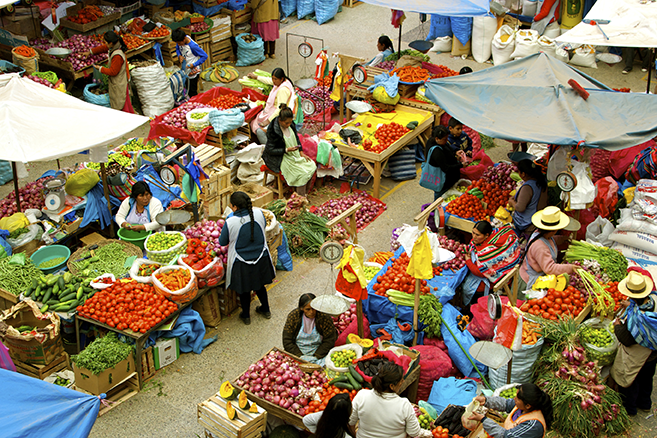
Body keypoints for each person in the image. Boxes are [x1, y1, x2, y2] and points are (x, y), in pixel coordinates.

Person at [218, 191, 275, 325]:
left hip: (241, 261)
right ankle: (266, 310)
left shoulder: (230, 221)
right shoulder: (259, 214)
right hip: (261, 256)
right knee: (260, 285)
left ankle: (246, 316)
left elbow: (222, 242)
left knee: (244, 290)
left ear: (235, 207)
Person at [610, 269, 657, 416]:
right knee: (647, 380)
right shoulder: (653, 301)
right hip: (654, 354)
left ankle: (630, 409)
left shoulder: (637, 318)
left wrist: (618, 326)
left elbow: (627, 340)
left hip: (640, 356)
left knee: (631, 382)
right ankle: (645, 404)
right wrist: (629, 306)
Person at [349, 362, 432, 438]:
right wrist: (427, 433)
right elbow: (414, 432)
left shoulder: (362, 396)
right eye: (401, 380)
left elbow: (350, 423)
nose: (403, 382)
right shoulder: (404, 405)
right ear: (392, 386)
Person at [463, 221, 521, 306]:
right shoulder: (492, 236)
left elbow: (479, 272)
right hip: (488, 280)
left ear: (487, 235)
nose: (474, 237)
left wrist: (468, 260)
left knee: (478, 301)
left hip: (488, 285)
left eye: (477, 235)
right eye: (473, 232)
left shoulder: (487, 253)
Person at [263, 104, 316, 196]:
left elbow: (296, 138)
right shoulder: (273, 131)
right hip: (279, 157)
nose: (288, 125)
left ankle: (304, 194)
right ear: (280, 120)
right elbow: (270, 150)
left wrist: (301, 152)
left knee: (311, 165)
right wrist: (286, 150)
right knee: (301, 173)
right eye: (286, 123)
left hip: (293, 154)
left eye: (290, 122)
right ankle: (299, 198)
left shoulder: (291, 124)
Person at [519, 207, 578, 290]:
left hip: (538, 276)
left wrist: (563, 239)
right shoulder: (540, 247)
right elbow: (549, 268)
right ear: (553, 231)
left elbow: (549, 241)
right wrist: (570, 268)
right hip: (530, 281)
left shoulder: (542, 234)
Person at [468, 383, 553, 438]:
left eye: (517, 398)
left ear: (528, 405)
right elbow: (506, 404)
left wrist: (483, 420)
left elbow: (506, 436)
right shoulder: (521, 407)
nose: (514, 399)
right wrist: (486, 400)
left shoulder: (533, 424)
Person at [282, 293, 337, 365]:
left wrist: (317, 355)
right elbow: (287, 340)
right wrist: (299, 356)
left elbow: (329, 340)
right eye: (308, 309)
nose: (311, 312)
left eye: (314, 309)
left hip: (318, 350)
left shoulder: (324, 317)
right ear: (301, 308)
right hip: (298, 350)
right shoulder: (293, 317)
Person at [248, 68, 298, 144]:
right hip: (271, 110)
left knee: (259, 130)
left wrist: (268, 121)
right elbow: (270, 81)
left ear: (281, 79)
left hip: (277, 114)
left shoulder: (283, 90)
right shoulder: (282, 82)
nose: (273, 81)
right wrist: (256, 77)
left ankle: (267, 147)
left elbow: (280, 109)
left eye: (275, 79)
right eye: (273, 79)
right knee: (254, 121)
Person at [90, 31, 134, 112]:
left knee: (121, 102)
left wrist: (100, 68)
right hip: (121, 79)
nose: (105, 44)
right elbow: (104, 48)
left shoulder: (117, 55)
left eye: (106, 42)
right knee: (124, 100)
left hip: (120, 81)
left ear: (110, 43)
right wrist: (90, 52)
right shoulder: (115, 46)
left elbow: (113, 72)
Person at [509, 159, 547, 235]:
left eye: (519, 172)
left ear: (523, 174)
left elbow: (520, 208)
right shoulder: (541, 181)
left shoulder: (527, 187)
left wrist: (512, 202)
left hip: (527, 222)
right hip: (538, 217)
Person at [425, 125, 463, 200]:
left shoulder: (436, 142)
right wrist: (461, 165)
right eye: (444, 139)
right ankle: (435, 209)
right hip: (442, 181)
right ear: (437, 139)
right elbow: (446, 168)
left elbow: (447, 146)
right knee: (439, 199)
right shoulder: (437, 152)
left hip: (445, 180)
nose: (446, 141)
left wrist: (455, 151)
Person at [172, 28, 208, 98]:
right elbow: (177, 49)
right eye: (177, 43)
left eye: (179, 43)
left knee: (192, 91)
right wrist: (179, 55)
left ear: (184, 39)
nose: (178, 44)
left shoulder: (193, 46)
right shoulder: (180, 42)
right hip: (185, 69)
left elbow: (204, 56)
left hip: (193, 71)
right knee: (186, 88)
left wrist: (194, 64)